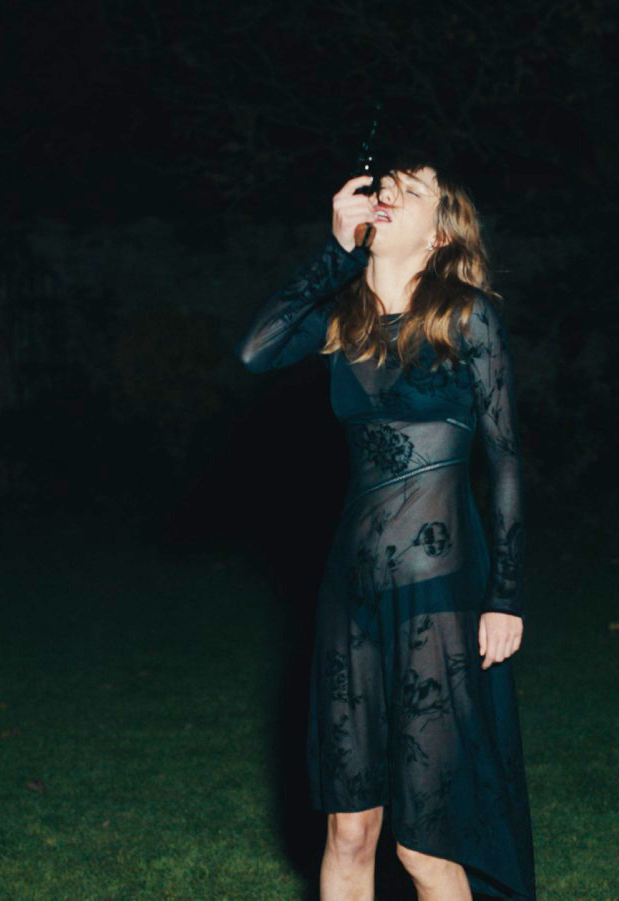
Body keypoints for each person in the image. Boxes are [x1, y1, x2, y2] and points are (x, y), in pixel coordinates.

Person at [235, 155, 535, 900]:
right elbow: (255, 351)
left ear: (439, 234)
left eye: (411, 191)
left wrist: (504, 595)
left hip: (439, 594)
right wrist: (335, 251)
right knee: (349, 832)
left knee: (425, 845)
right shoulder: (342, 315)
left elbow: (503, 459)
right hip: (351, 596)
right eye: (385, 187)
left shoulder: (465, 316)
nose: (389, 195)